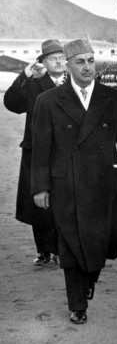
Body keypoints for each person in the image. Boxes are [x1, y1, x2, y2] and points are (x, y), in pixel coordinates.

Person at [31, 38, 117, 324]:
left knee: (99, 243)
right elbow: (41, 147)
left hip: (105, 182)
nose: (87, 67)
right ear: (67, 66)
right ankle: (77, 303)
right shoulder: (48, 101)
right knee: (69, 242)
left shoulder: (114, 98)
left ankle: (90, 276)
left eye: (91, 61)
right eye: (80, 62)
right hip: (65, 183)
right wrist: (40, 187)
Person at [4, 39, 66, 266]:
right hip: (36, 151)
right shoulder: (33, 84)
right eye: (53, 59)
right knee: (38, 203)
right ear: (44, 63)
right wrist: (24, 76)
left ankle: (61, 249)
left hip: (65, 152)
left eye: (61, 58)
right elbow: (11, 104)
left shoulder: (76, 83)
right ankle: (44, 251)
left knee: (63, 200)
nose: (58, 62)